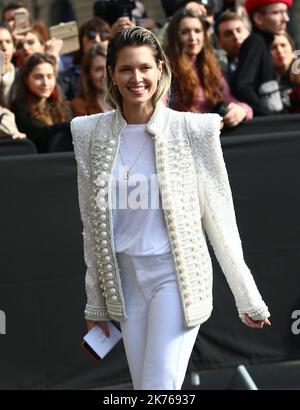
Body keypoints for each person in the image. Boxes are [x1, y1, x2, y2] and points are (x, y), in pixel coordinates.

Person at [71, 27, 271, 390]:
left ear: (161, 69)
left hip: (174, 279)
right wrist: (95, 304)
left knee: (156, 389)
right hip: (125, 284)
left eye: (145, 68)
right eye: (126, 69)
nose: (137, 78)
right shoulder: (89, 134)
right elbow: (92, 224)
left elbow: (221, 218)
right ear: (112, 74)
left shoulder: (194, 130)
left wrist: (247, 295)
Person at [166, 8, 252, 127]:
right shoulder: (166, 68)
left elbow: (230, 99)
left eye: (197, 31)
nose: (193, 37)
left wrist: (242, 111)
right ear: (174, 36)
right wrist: (207, 124)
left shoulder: (210, 66)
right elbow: (162, 115)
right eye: (185, 32)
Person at [233, 0, 292, 116]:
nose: (285, 18)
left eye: (285, 12)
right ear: (258, 18)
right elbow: (241, 86)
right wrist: (269, 116)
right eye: (277, 13)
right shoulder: (255, 41)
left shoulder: (263, 43)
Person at [11, 53, 72, 153]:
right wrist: (72, 125)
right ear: (26, 79)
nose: (45, 83)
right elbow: (42, 132)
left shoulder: (62, 104)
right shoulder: (18, 107)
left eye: (49, 76)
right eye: (38, 77)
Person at [71, 44, 111, 116]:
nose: (105, 75)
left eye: (108, 68)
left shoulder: (129, 98)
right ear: (88, 74)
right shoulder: (80, 105)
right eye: (98, 70)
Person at [215, 11, 250, 87]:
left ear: (248, 32)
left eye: (239, 30)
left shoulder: (268, 58)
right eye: (228, 34)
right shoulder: (218, 71)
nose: (236, 37)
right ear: (219, 42)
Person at [270, 32, 300, 111]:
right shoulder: (266, 81)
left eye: (283, 45)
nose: (280, 51)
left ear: (292, 49)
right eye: (273, 47)